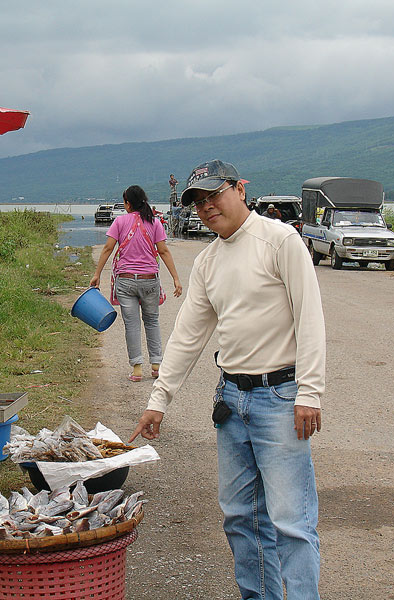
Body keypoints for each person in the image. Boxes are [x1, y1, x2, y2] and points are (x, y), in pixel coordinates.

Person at [130, 159, 325, 599]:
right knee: (240, 517)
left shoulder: (281, 242)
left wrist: (310, 392)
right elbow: (187, 335)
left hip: (281, 397)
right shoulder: (208, 260)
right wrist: (159, 400)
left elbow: (309, 318)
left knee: (291, 522)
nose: (206, 207)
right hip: (231, 399)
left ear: (240, 189)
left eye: (214, 195)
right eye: (197, 201)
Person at [90, 185, 183, 381]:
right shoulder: (155, 222)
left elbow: (107, 248)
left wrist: (97, 273)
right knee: (152, 321)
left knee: (131, 325)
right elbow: (164, 251)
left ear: (128, 203)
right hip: (150, 280)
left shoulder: (120, 221)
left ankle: (137, 369)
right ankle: (157, 366)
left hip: (125, 282)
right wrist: (175, 278)